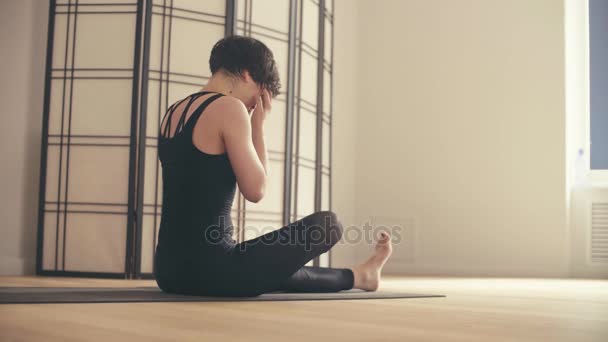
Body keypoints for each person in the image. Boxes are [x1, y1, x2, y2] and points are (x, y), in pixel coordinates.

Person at [153, 35, 392, 297]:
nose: (255, 104)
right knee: (328, 225)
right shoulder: (229, 108)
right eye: (259, 94)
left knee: (266, 267)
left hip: (167, 271)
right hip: (212, 270)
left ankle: (360, 276)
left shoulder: (174, 111)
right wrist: (258, 126)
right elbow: (256, 190)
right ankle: (360, 275)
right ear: (247, 75)